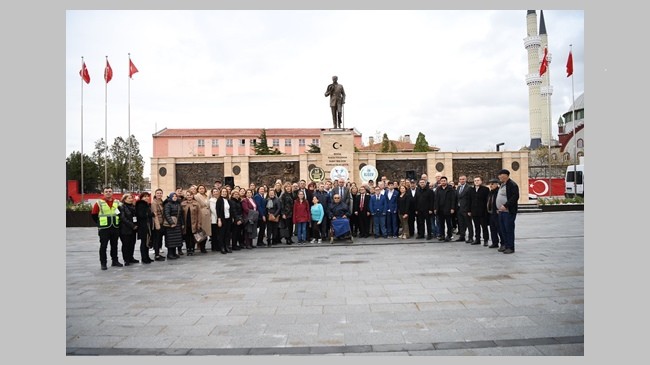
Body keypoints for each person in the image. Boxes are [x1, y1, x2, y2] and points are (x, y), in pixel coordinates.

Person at [91, 186, 123, 270]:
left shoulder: (116, 202)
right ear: (103, 193)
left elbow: (119, 213)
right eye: (106, 191)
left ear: (112, 193)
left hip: (114, 227)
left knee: (114, 245)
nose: (108, 193)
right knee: (103, 246)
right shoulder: (99, 203)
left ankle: (115, 261)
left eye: (110, 191)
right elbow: (94, 214)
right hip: (104, 228)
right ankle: (103, 263)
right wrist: (99, 223)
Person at [496, 169, 519, 254]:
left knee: (508, 229)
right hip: (501, 211)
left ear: (505, 175)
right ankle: (505, 245)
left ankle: (510, 247)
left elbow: (515, 197)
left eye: (500, 175)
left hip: (508, 212)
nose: (499, 177)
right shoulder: (502, 184)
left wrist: (505, 205)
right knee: (503, 229)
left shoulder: (512, 185)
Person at [118, 193, 139, 266]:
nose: (131, 199)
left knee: (132, 244)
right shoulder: (121, 207)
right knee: (126, 245)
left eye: (131, 198)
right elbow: (123, 218)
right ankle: (126, 260)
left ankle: (131, 257)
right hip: (125, 229)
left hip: (133, 229)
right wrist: (132, 225)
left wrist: (136, 225)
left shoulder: (133, 207)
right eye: (129, 198)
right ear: (124, 199)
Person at [433, 177, 456, 242]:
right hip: (440, 209)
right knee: (441, 223)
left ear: (446, 181)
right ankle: (442, 235)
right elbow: (436, 199)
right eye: (442, 181)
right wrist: (435, 208)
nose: (443, 182)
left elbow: (453, 199)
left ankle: (449, 235)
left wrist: (452, 208)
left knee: (449, 223)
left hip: (448, 209)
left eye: (444, 181)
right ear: (440, 182)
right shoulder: (438, 189)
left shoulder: (450, 189)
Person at [470, 176, 490, 246]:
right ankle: (477, 239)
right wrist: (469, 210)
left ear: (481, 181)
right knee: (476, 226)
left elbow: (488, 201)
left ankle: (486, 240)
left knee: (484, 227)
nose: (476, 182)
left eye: (478, 180)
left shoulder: (485, 189)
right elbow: (470, 201)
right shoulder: (471, 190)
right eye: (475, 180)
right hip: (474, 211)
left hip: (483, 211)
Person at [163, 192, 184, 259]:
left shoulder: (178, 204)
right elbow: (167, 214)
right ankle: (170, 254)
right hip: (170, 225)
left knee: (176, 240)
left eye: (175, 196)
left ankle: (174, 253)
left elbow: (181, 215)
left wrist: (182, 223)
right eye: (173, 196)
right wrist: (171, 223)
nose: (175, 197)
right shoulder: (168, 204)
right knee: (170, 240)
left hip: (177, 224)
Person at [135, 191, 154, 264]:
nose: (146, 198)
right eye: (144, 196)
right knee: (144, 242)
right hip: (143, 226)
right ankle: (144, 258)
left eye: (147, 196)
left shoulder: (146, 204)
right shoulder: (140, 205)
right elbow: (141, 215)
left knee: (147, 242)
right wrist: (150, 214)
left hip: (147, 225)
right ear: (141, 197)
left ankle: (147, 257)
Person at [181, 190, 201, 256]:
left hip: (194, 223)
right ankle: (188, 249)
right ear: (186, 196)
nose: (189, 196)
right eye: (188, 195)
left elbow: (199, 214)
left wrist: (199, 223)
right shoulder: (183, 203)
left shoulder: (196, 203)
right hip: (186, 223)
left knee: (193, 236)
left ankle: (192, 248)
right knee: (187, 236)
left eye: (190, 195)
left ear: (192, 196)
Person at [455, 175, 474, 243]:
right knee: (461, 224)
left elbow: (471, 199)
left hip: (466, 209)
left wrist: (469, 210)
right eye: (460, 179)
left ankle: (471, 237)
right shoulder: (458, 188)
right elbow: (457, 198)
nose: (462, 180)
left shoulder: (469, 188)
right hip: (459, 209)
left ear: (466, 180)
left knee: (468, 224)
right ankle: (462, 236)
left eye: (463, 179)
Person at [486, 178, 503, 249]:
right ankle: (494, 242)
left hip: (497, 213)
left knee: (499, 229)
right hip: (490, 213)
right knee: (492, 229)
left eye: (492, 184)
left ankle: (503, 243)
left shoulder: (499, 192)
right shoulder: (490, 192)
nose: (491, 185)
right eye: (490, 184)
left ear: (497, 184)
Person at [215, 188, 233, 254]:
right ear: (221, 192)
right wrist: (219, 220)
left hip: (228, 219)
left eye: (225, 192)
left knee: (227, 234)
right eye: (223, 191)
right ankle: (222, 247)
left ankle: (227, 246)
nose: (224, 193)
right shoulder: (219, 200)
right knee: (221, 234)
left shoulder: (228, 200)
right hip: (222, 219)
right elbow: (218, 210)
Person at [150, 188, 166, 261]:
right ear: (155, 194)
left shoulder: (161, 202)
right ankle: (156, 255)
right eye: (158, 193)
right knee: (156, 239)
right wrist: (157, 225)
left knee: (159, 239)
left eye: (160, 193)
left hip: (162, 222)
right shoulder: (154, 203)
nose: (159, 194)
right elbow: (155, 214)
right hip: (158, 223)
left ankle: (158, 253)